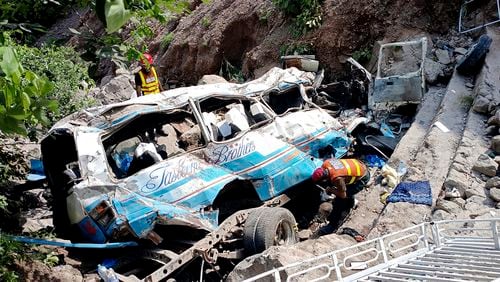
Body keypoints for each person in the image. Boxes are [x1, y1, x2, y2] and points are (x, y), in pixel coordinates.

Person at [311, 158, 370, 235]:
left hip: (362, 178)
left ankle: (333, 226)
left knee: (340, 201)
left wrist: (331, 190)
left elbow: (343, 195)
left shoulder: (337, 178)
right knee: (338, 189)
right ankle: (350, 203)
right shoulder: (326, 163)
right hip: (358, 165)